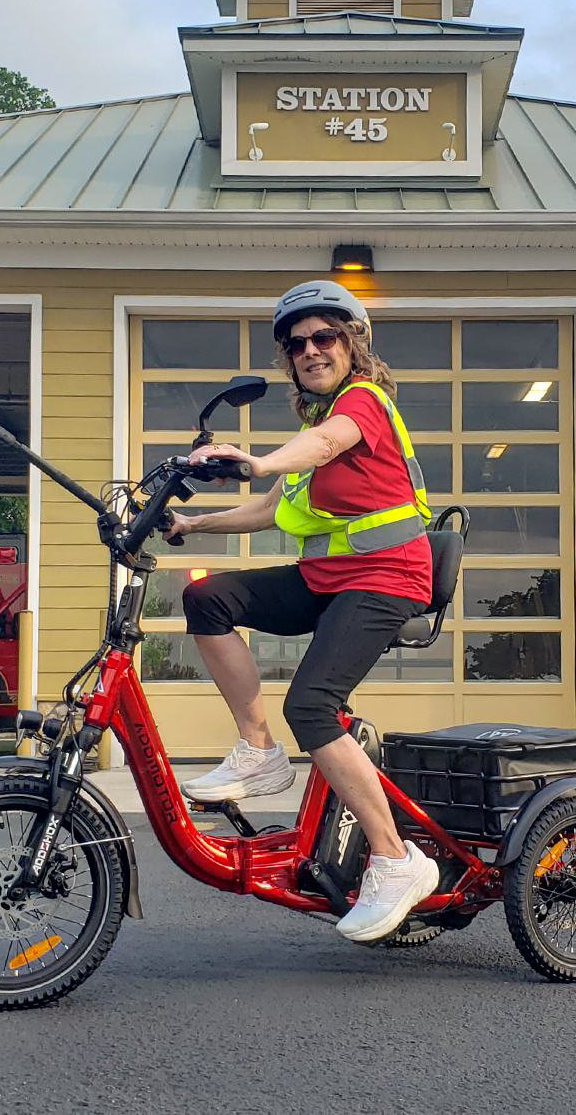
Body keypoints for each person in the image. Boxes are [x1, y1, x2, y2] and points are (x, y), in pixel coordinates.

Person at [163, 280, 440, 943]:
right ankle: (258, 753)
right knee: (208, 597)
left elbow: (318, 448)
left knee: (312, 704)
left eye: (325, 337)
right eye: (298, 344)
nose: (311, 350)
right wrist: (190, 525)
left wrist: (256, 460)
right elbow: (268, 509)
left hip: (389, 577)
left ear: (352, 346)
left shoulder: (361, 404)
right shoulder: (313, 427)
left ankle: (397, 859)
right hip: (330, 579)